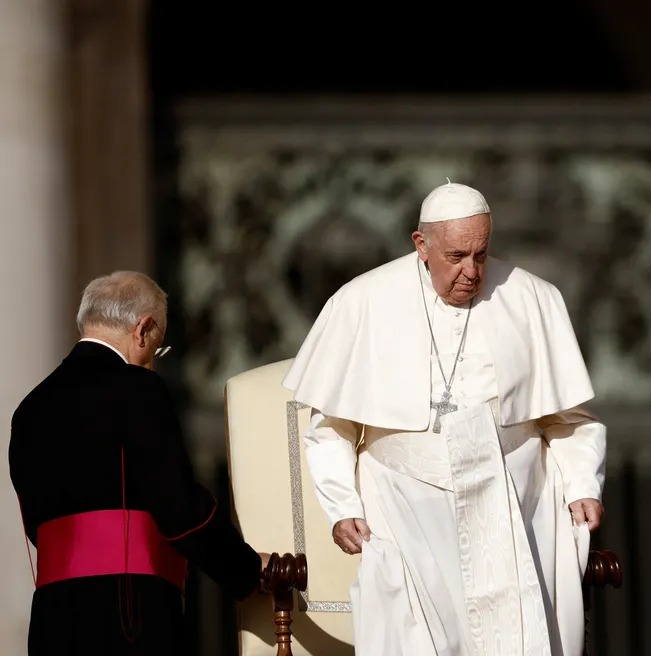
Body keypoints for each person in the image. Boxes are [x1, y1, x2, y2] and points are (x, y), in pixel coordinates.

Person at [284, 180, 607, 655]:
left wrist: (582, 483)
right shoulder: (363, 301)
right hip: (403, 507)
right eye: (456, 256)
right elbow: (331, 428)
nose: (472, 272)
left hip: (513, 501)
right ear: (421, 245)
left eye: (481, 254)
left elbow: (569, 418)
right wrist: (343, 506)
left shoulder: (532, 296)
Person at [9, 271, 269, 655]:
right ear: (143, 329)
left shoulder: (28, 409)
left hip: (52, 620)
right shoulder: (139, 389)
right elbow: (179, 509)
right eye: (157, 348)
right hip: (129, 615)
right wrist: (246, 570)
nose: (152, 361)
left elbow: (37, 527)